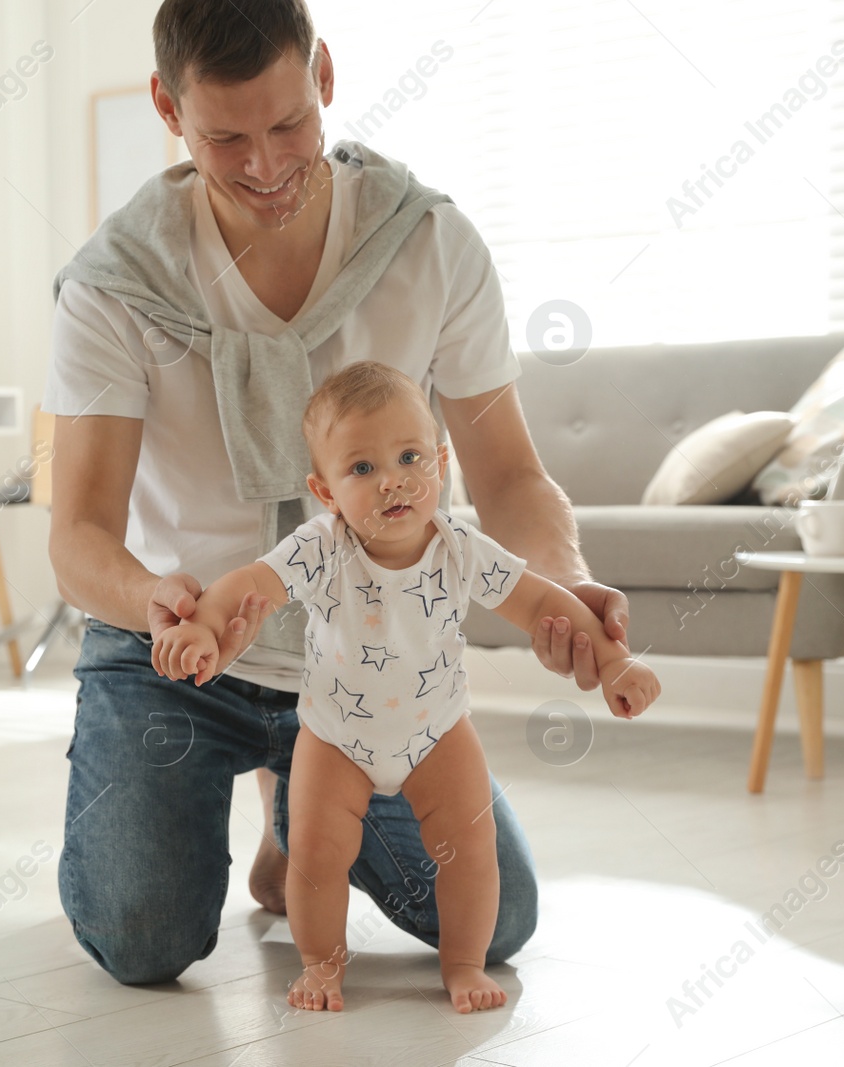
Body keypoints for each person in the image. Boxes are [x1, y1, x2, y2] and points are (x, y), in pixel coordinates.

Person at [43, 0, 637, 989]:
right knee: (140, 937)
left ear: (323, 75)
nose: (267, 167)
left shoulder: (430, 244)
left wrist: (565, 584)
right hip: (180, 643)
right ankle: (265, 790)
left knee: (500, 922)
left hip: (376, 660)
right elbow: (79, 534)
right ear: (167, 106)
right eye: (225, 138)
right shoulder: (115, 281)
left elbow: (510, 478)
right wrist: (155, 600)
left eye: (288, 126)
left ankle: (298, 809)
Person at [152, 362, 659, 1013]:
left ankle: (465, 964)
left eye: (409, 456)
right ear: (325, 490)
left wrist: (614, 661)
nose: (392, 478)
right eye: (361, 468)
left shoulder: (459, 546)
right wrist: (204, 628)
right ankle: (321, 965)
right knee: (316, 854)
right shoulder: (323, 545)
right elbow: (249, 584)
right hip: (337, 736)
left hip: (438, 729)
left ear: (441, 462)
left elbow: (545, 603)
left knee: (472, 849)